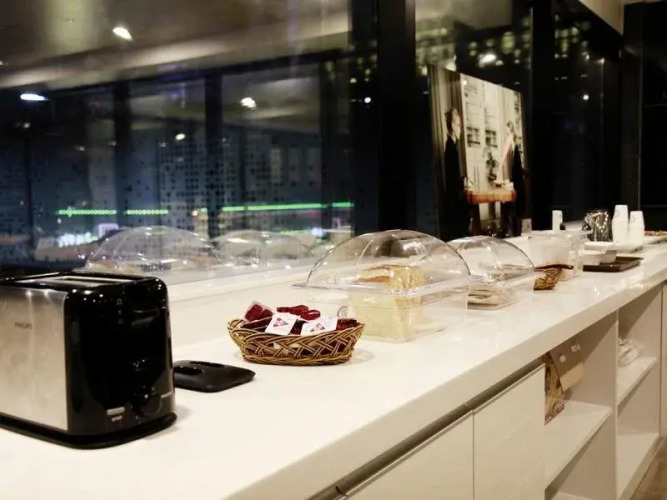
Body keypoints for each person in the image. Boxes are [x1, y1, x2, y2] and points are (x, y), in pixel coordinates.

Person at [439, 108, 469, 239]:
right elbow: (452, 179)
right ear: (452, 125)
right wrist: (464, 182)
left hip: (454, 197)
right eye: (458, 125)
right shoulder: (450, 147)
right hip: (453, 200)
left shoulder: (452, 145)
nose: (460, 129)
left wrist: (464, 180)